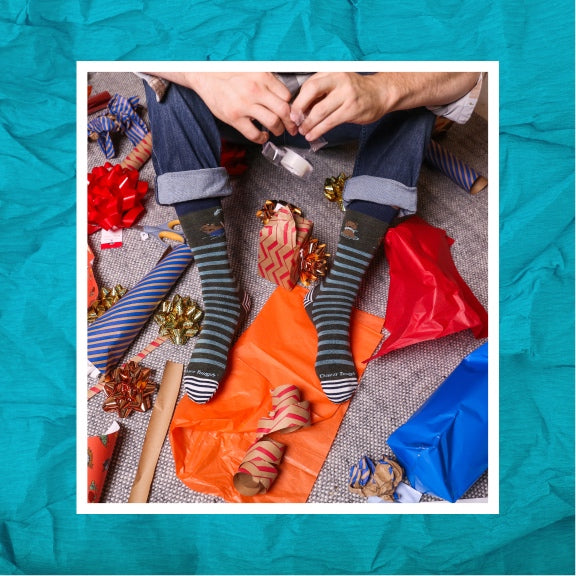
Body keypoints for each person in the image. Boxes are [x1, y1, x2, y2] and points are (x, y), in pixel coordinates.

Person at [139, 71, 482, 404]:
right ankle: (221, 297)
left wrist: (385, 89)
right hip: (231, 112)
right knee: (165, 79)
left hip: (342, 114)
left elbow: (465, 69)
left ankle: (336, 294)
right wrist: (206, 77)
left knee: (415, 71)